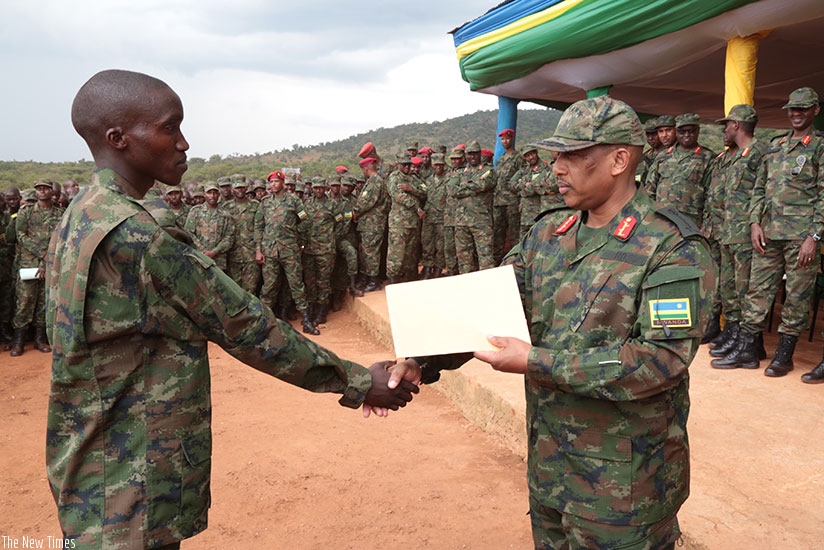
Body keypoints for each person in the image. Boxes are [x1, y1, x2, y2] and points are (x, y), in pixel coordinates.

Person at [46, 69, 417, 549]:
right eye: (169, 127)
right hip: (132, 477)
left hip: (92, 465)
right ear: (119, 138)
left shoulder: (82, 214)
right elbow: (245, 325)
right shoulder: (140, 235)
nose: (183, 143)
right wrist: (359, 381)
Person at [389, 96, 714, 549]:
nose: (557, 168)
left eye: (572, 156)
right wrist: (423, 360)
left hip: (623, 493)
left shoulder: (672, 246)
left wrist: (536, 361)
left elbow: (660, 361)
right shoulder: (547, 233)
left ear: (619, 160)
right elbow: (491, 307)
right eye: (556, 155)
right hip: (550, 471)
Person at [711, 87, 824, 377]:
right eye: (792, 109)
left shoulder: (819, 147)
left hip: (800, 236)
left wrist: (814, 237)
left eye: (802, 109)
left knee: (796, 297)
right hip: (768, 233)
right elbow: (759, 188)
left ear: (815, 111)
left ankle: (784, 356)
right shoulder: (776, 145)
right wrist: (754, 223)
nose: (796, 113)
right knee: (756, 291)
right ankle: (749, 349)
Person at [11, 179, 63, 356]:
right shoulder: (26, 212)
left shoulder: (60, 213)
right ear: (35, 192)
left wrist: (49, 257)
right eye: (39, 189)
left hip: (51, 263)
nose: (42, 191)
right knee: (24, 301)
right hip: (29, 263)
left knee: (44, 301)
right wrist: (41, 253)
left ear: (51, 192)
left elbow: (61, 237)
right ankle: (18, 341)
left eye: (46, 189)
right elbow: (20, 235)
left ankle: (40, 340)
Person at [492, 128, 526, 265]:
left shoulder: (518, 157)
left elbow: (522, 177)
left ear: (512, 139)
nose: (505, 141)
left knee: (514, 234)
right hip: (498, 202)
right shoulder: (500, 159)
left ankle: (514, 262)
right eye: (503, 139)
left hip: (512, 201)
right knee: (498, 234)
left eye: (507, 138)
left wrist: (520, 199)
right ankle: (497, 262)